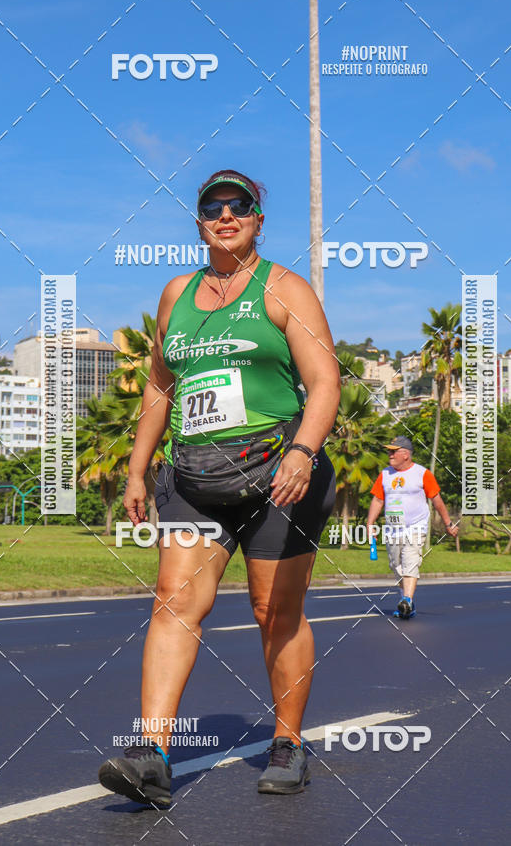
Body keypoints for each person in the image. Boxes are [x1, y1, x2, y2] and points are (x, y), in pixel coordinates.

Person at [98, 170, 340, 805]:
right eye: (213, 207)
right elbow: (160, 385)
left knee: (272, 609)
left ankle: (287, 744)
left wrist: (303, 452)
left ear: (259, 219)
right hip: (195, 474)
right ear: (199, 221)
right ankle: (151, 753)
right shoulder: (176, 292)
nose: (226, 215)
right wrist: (136, 468)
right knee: (173, 600)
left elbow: (325, 382)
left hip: (277, 471)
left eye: (241, 206)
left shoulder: (285, 289)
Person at [366, 436, 458, 619]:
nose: (389, 454)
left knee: (410, 561)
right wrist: (369, 524)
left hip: (415, 527)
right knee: (395, 564)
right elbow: (378, 499)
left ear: (406, 454)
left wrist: (448, 523)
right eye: (389, 451)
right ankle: (406, 601)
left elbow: (437, 500)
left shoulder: (422, 473)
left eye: (393, 451)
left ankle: (407, 600)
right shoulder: (385, 474)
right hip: (393, 529)